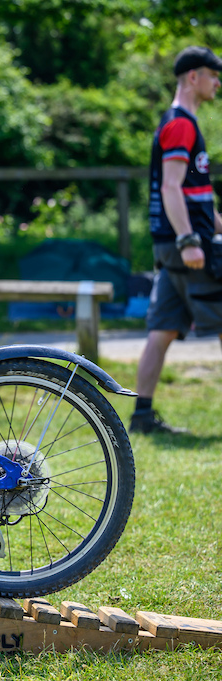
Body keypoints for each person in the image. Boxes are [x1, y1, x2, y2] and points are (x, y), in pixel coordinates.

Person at [131, 46, 222, 434]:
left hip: (174, 247)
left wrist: (214, 223)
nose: (217, 83)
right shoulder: (181, 124)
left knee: (162, 330)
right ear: (193, 77)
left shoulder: (177, 123)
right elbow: (170, 188)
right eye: (213, 75)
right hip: (185, 248)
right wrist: (189, 239)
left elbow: (191, 190)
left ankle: (141, 416)